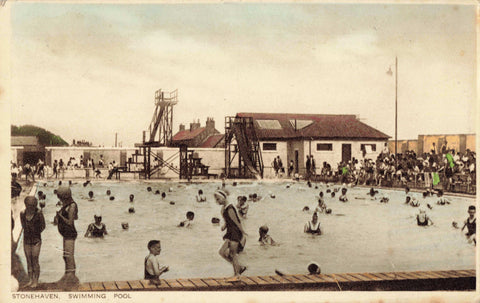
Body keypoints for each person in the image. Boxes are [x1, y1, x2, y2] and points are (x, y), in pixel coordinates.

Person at [214, 189, 247, 276]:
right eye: (216, 200)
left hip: (235, 232)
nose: (217, 201)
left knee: (233, 254)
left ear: (223, 197)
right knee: (221, 252)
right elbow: (227, 220)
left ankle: (237, 275)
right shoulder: (223, 209)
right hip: (230, 232)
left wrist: (243, 233)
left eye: (218, 199)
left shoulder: (230, 208)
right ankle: (239, 267)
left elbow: (237, 221)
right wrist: (224, 226)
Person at [54, 186, 79, 286]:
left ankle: (72, 277)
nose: (59, 199)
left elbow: (70, 222)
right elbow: (76, 217)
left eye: (60, 197)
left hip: (70, 233)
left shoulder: (72, 206)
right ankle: (67, 275)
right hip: (66, 234)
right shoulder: (67, 205)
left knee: (69, 256)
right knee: (65, 256)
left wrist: (60, 216)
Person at [20, 196, 46, 288]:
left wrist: (35, 232)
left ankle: (36, 280)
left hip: (36, 240)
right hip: (27, 240)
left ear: (35, 205)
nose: (31, 207)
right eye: (29, 205)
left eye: (32, 206)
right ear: (26, 205)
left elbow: (43, 226)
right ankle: (30, 279)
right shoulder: (22, 213)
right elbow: (23, 225)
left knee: (35, 260)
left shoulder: (39, 213)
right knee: (28, 260)